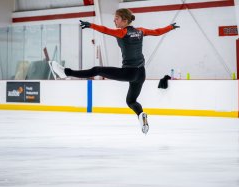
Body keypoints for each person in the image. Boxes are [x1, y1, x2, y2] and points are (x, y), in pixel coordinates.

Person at [50, 8, 180, 134]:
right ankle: (141, 115)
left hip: (129, 72)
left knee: (97, 70)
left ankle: (66, 72)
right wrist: (170, 27)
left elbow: (106, 30)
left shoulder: (122, 32)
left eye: (116, 19)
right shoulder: (140, 31)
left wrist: (90, 25)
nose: (114, 21)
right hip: (141, 74)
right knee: (131, 101)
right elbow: (157, 32)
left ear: (124, 20)